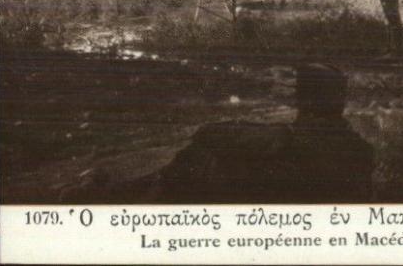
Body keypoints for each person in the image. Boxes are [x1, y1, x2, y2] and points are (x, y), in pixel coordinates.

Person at [154, 64, 375, 204]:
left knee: (200, 159)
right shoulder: (361, 149)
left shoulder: (283, 138)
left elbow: (208, 133)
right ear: (341, 101)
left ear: (301, 100)